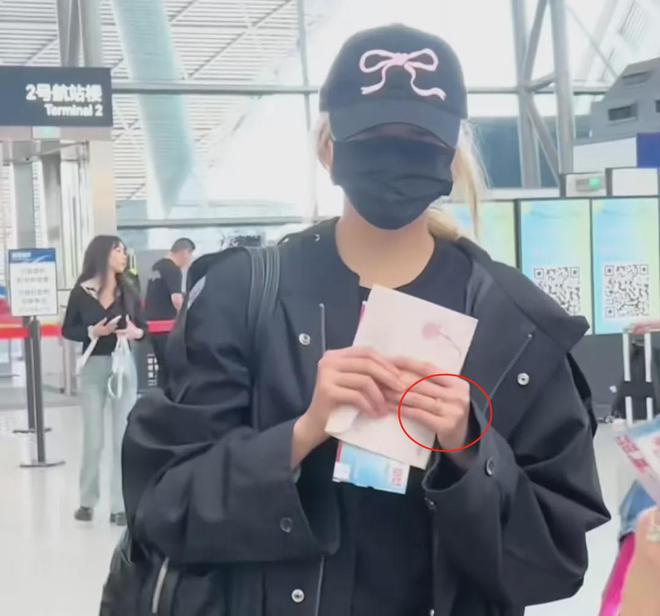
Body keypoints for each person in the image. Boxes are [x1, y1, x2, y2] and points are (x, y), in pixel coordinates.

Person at [122, 25, 609, 615]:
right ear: (328, 149)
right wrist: (301, 434)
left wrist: (469, 449)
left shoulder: (516, 326)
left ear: (450, 158)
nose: (395, 159)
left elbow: (554, 561)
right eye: (373, 137)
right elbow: (163, 504)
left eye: (419, 140)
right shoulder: (241, 298)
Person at [62, 236, 146, 526]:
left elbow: (143, 329)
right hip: (93, 368)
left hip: (123, 365)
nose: (123, 255)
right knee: (93, 439)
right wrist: (92, 331)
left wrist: (134, 333)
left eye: (124, 250)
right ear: (102, 254)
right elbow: (68, 329)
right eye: (118, 250)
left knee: (122, 438)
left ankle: (119, 506)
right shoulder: (82, 291)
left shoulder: (130, 289)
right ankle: (87, 501)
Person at [144, 238, 195, 388]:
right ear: (185, 252)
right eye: (190, 256)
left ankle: (161, 396)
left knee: (163, 368)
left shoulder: (157, 266)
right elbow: (176, 300)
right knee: (173, 368)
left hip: (153, 327)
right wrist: (187, 318)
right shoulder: (173, 269)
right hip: (167, 327)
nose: (190, 261)